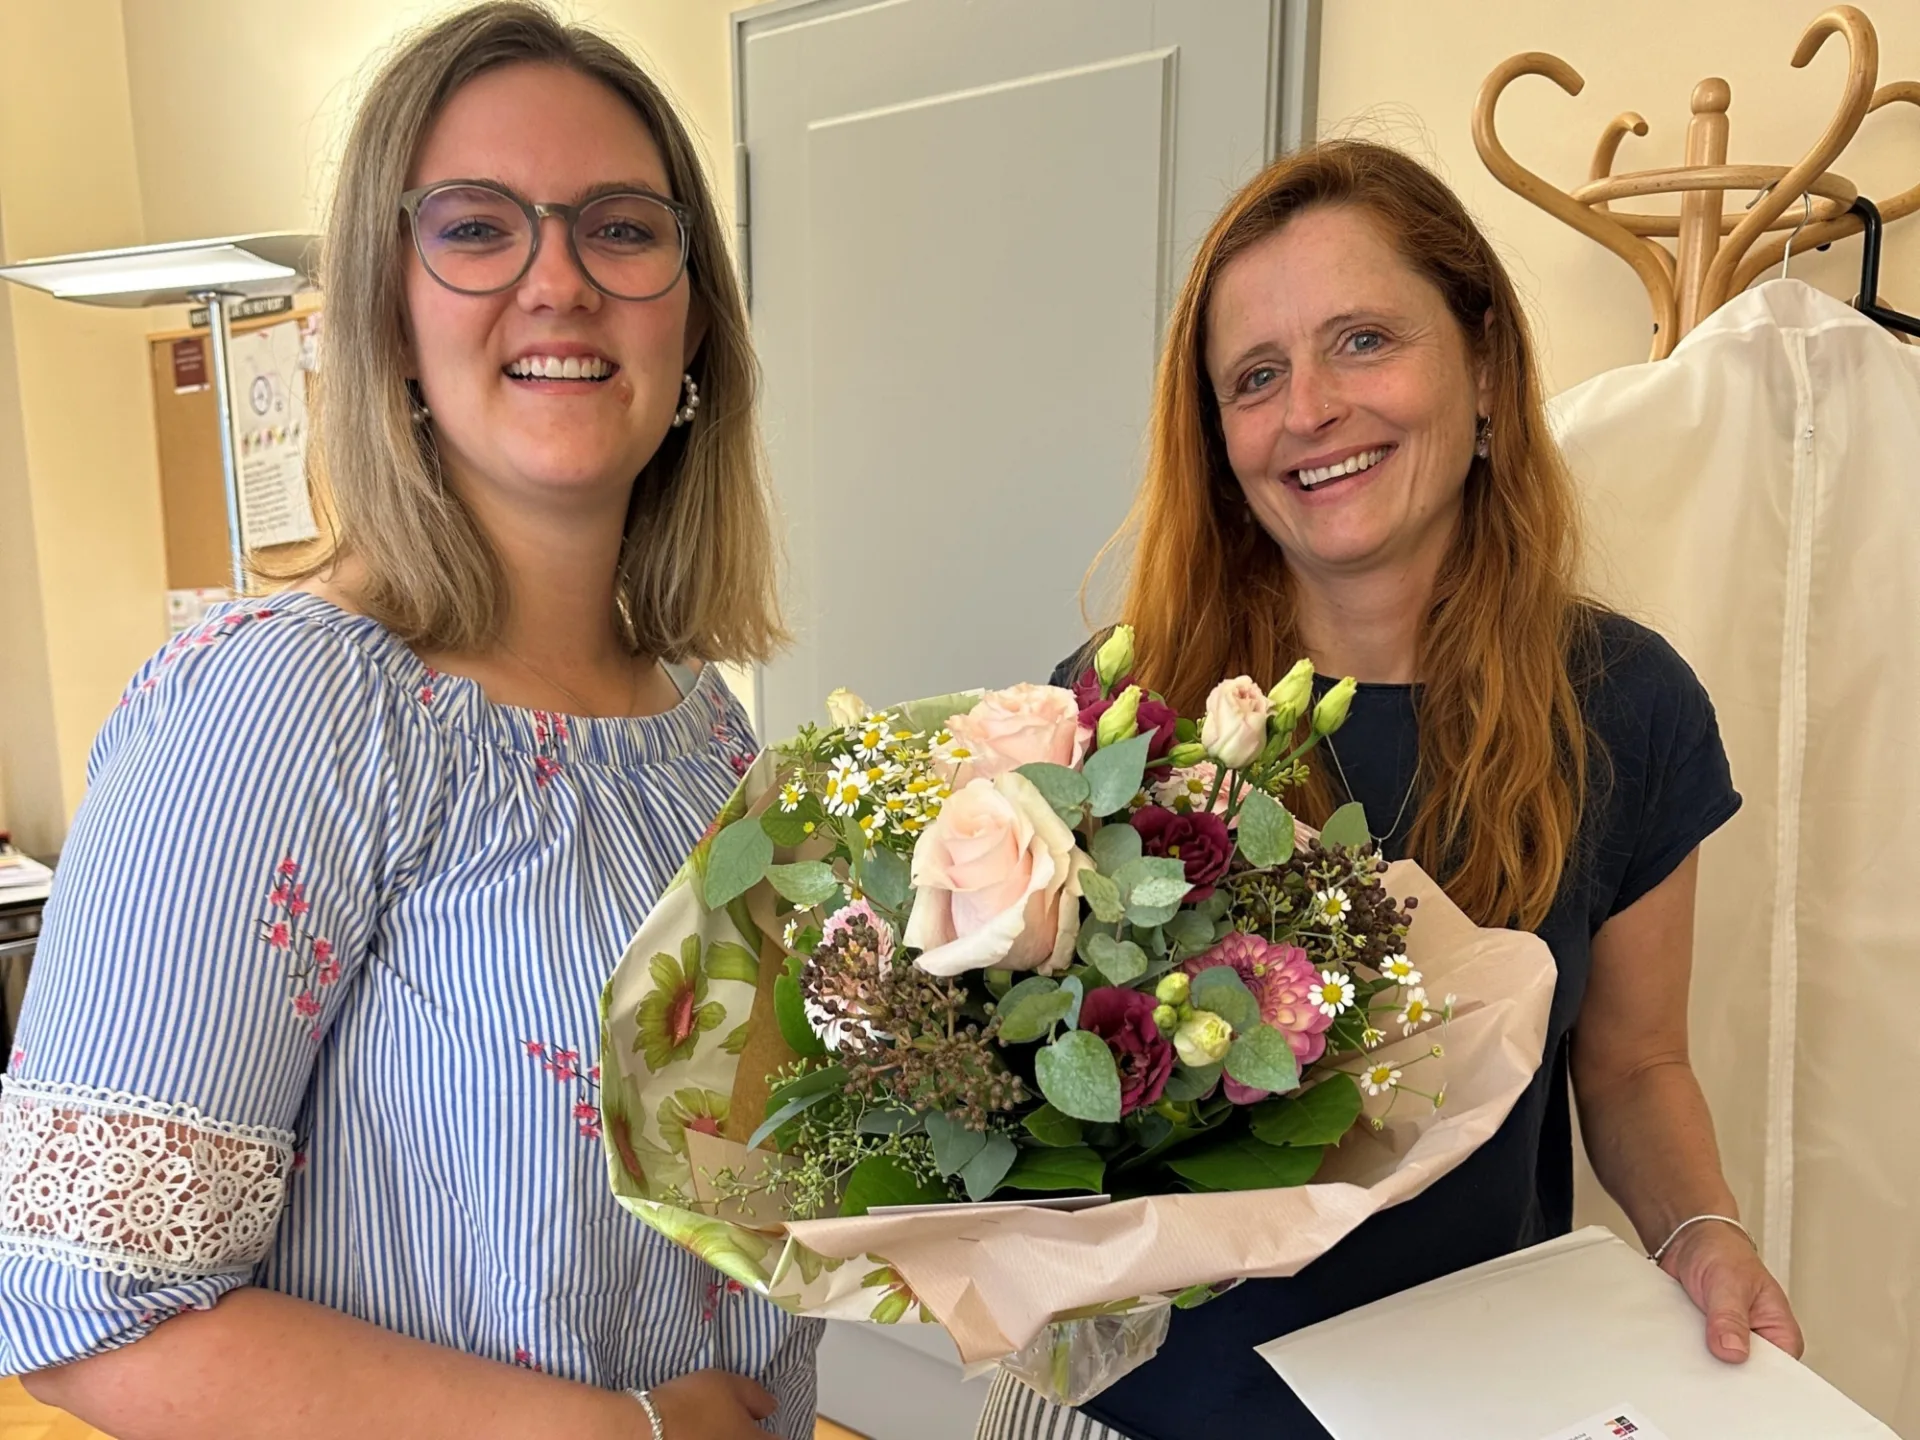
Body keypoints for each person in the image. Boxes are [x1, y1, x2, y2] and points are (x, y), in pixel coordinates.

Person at [0, 5, 817, 1436]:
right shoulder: (280, 712)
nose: (558, 280)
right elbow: (79, 1302)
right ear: (389, 312)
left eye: (622, 229)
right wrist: (621, 1432)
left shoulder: (706, 730)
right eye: (476, 226)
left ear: (694, 319)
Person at [979, 140, 1803, 1440]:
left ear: (1482, 362)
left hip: (1462, 1403)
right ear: (1218, 437)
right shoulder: (1120, 710)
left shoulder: (1627, 708)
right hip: (1129, 1412)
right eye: (1256, 376)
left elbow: (1637, 1064)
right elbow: (1033, 1083)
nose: (1308, 406)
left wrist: (1703, 1231)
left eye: (1362, 341)